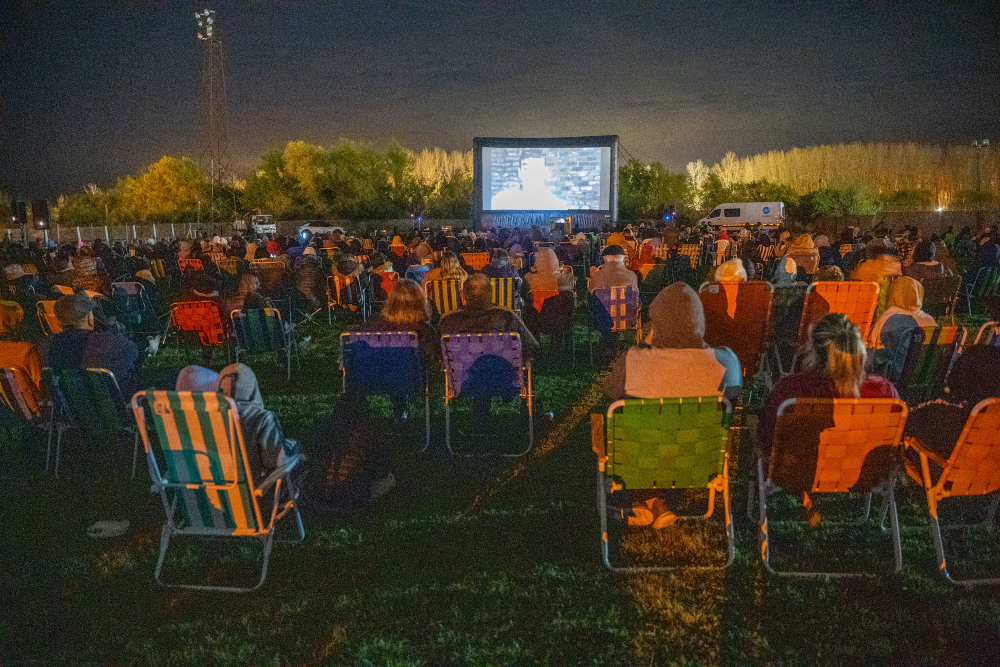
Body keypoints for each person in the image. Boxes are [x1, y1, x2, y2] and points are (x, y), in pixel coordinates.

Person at [758, 313, 899, 495]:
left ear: (814, 351)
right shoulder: (884, 391)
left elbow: (768, 438)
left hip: (798, 476)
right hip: (864, 475)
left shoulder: (789, 391)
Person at [607, 282, 741, 402]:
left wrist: (647, 344)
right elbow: (733, 395)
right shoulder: (727, 362)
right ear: (699, 320)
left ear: (656, 322)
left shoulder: (629, 363)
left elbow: (613, 394)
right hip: (702, 429)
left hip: (648, 429)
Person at [37, 293, 141, 394]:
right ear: (89, 318)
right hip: (110, 406)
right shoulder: (105, 342)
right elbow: (135, 352)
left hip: (69, 408)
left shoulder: (46, 345)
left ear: (59, 321)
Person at [439, 274, 539, 358]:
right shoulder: (506, 317)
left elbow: (438, 352)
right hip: (500, 375)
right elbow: (531, 346)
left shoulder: (449, 320)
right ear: (491, 294)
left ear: (464, 296)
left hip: (463, 377)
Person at [865, 277, 938, 382]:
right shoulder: (929, 320)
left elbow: (874, 346)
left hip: (895, 376)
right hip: (923, 376)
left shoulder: (890, 316)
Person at [350, 278, 439, 361]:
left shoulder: (373, 324)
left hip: (379, 374)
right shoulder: (425, 332)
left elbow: (352, 340)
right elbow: (433, 361)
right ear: (420, 303)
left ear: (391, 300)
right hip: (410, 376)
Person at [490, 148, 568, 210]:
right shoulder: (500, 201)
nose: (531, 174)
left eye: (536, 169)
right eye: (526, 169)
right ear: (519, 172)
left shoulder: (559, 205)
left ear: (545, 172)